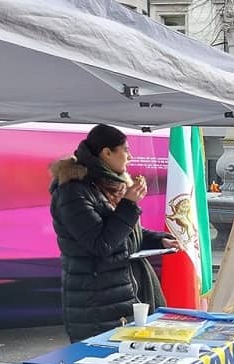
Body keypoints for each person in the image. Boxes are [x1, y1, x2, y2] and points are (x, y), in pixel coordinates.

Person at [50, 124, 180, 342]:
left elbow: (124, 234)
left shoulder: (107, 184)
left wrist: (159, 240)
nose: (130, 157)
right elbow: (101, 243)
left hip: (122, 294)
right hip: (96, 301)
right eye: (125, 150)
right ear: (106, 152)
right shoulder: (73, 191)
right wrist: (128, 204)